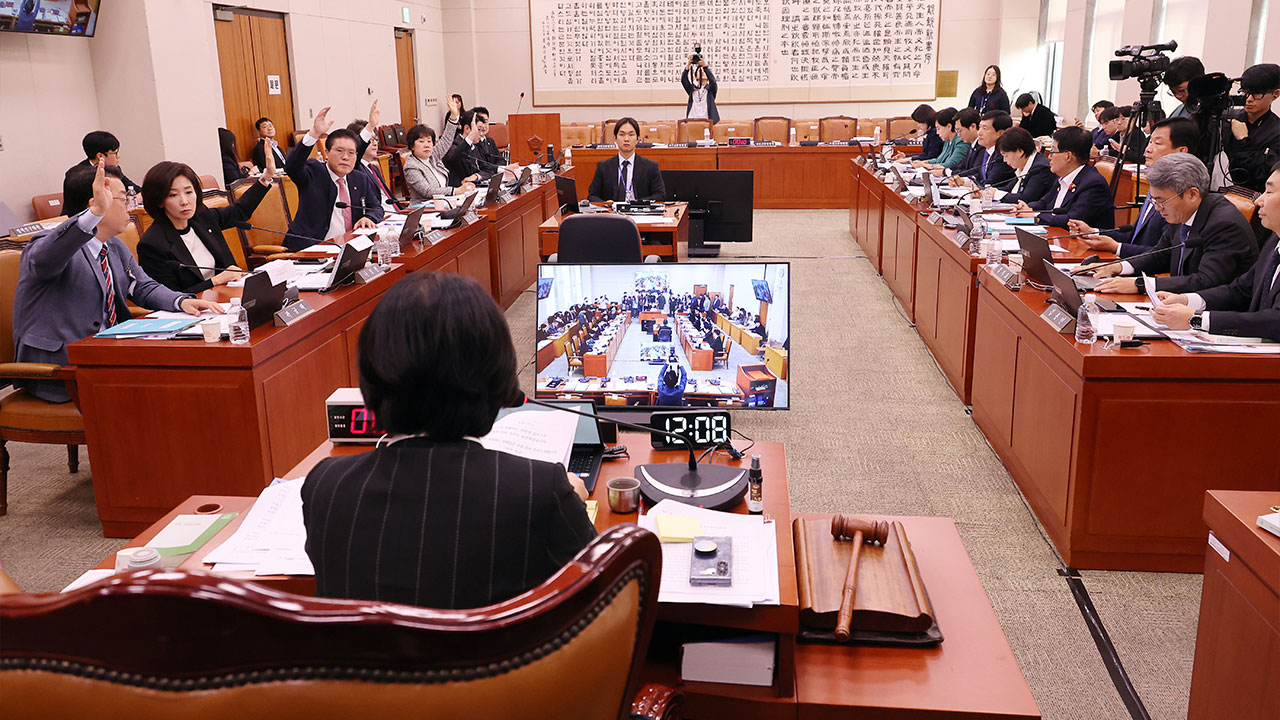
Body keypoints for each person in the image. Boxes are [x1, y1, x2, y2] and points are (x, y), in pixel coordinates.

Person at [300, 272, 594, 609]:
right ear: (498, 377)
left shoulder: (325, 485)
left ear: (371, 374)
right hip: (497, 661)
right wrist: (574, 500)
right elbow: (605, 593)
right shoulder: (541, 490)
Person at [12, 162, 222, 403]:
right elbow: (46, 260)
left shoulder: (113, 245)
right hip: (62, 368)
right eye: (123, 199)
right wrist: (92, 216)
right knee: (166, 391)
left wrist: (181, 301)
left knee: (190, 375)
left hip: (110, 355)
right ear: (96, 205)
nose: (131, 208)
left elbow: (142, 286)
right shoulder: (47, 245)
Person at [1085, 153, 1257, 295]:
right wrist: (1117, 267)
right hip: (1177, 305)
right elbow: (1159, 255)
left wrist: (1141, 284)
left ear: (1192, 194)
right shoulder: (1182, 212)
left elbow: (1206, 281)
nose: (1158, 209)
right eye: (1154, 201)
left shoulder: (1224, 224)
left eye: (1161, 201)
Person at [1153, 162, 1280, 338]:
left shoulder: (1224, 222)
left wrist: (1196, 320)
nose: (1259, 201)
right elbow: (1242, 290)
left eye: (1270, 192)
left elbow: (1275, 321)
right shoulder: (1275, 240)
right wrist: (1188, 300)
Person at [138, 157, 272, 293]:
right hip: (197, 311)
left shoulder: (202, 218)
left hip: (230, 297)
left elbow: (239, 211)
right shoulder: (153, 244)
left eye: (189, 192)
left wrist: (266, 177)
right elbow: (168, 298)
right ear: (159, 201)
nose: (184, 201)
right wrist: (215, 281)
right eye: (173, 195)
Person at [1070, 117, 1199, 257]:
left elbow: (1167, 254)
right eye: (1149, 141)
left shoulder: (1182, 194)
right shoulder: (1157, 184)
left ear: (1181, 151)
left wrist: (1117, 247)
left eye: (1157, 143)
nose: (1148, 149)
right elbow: (1137, 235)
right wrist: (1093, 232)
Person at [283, 101, 383, 251]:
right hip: (312, 250)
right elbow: (291, 166)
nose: (345, 157)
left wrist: (368, 217)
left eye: (351, 153)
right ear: (327, 152)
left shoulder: (358, 178)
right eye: (339, 151)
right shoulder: (315, 172)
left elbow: (376, 207)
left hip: (349, 247)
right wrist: (314, 134)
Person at [1014, 126, 1114, 229]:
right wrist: (1026, 208)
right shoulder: (1062, 176)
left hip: (1081, 242)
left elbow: (1073, 220)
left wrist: (1036, 216)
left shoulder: (1093, 184)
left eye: (1053, 150)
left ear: (1068, 156)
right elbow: (1044, 202)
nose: (1050, 156)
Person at [1223, 63, 1280, 193]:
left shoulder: (1276, 132)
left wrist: (1243, 141)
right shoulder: (1228, 118)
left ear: (1276, 94)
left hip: (1253, 202)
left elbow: (1262, 175)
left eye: (1257, 94)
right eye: (1244, 92)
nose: (1248, 99)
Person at [587, 118, 666, 202]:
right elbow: (592, 196)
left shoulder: (650, 166)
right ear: (615, 138)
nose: (626, 139)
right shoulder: (604, 167)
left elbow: (660, 195)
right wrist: (606, 205)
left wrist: (638, 203)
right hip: (612, 214)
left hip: (639, 213)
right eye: (622, 135)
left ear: (638, 139)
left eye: (631, 135)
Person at [402, 122, 475, 201]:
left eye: (429, 141)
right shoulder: (411, 166)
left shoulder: (433, 156)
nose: (427, 145)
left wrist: (454, 117)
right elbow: (427, 191)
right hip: (425, 208)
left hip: (444, 203)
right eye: (421, 141)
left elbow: (446, 140)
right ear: (412, 146)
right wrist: (456, 190)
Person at [347, 120, 401, 214]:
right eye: (370, 140)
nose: (375, 143)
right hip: (381, 218)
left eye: (376, 139)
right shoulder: (354, 168)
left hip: (396, 214)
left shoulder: (373, 167)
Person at [952, 111, 1015, 189]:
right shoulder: (988, 152)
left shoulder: (1003, 156)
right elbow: (978, 175)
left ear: (1000, 133)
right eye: (980, 127)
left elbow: (991, 183)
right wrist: (963, 181)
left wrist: (968, 183)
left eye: (985, 128)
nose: (979, 133)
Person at [995, 127, 1055, 205]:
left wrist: (995, 194)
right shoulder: (1023, 165)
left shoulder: (1041, 169)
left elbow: (1026, 199)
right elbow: (1009, 188)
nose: (1004, 160)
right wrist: (987, 191)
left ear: (1020, 151)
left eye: (1006, 155)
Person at [66, 131, 139, 192]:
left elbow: (134, 189)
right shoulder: (78, 176)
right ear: (100, 156)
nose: (118, 156)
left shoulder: (114, 170)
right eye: (115, 153)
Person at [444, 110, 501, 188]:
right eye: (478, 130)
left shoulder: (475, 146)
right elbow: (453, 157)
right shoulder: (453, 146)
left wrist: (476, 176)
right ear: (467, 128)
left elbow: (488, 170)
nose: (482, 134)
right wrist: (470, 138)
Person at [682, 53, 719, 123]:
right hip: (691, 121)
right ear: (696, 76)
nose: (702, 72)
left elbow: (713, 82)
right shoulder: (692, 89)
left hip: (707, 122)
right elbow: (684, 80)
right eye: (700, 71)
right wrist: (689, 64)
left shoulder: (710, 90)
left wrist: (705, 67)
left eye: (704, 71)